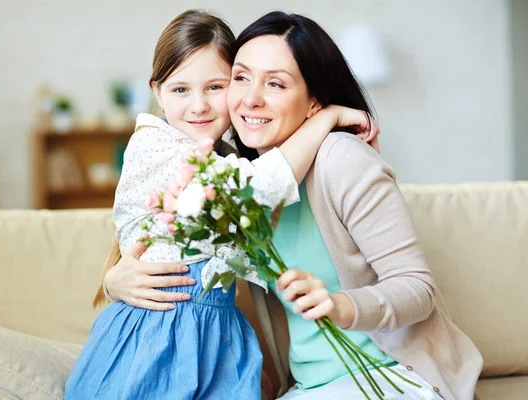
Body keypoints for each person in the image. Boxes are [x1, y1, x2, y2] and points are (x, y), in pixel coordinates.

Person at [104, 11, 483, 400]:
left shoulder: (340, 157)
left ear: (313, 99)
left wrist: (339, 306)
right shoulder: (235, 179)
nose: (251, 98)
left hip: (392, 376)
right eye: (241, 78)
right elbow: (160, 236)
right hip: (308, 388)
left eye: (276, 83)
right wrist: (113, 281)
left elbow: (418, 288)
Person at [65, 10, 378, 400]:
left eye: (216, 87)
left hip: (213, 330)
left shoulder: (227, 155)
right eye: (181, 90)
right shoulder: (155, 143)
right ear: (157, 91)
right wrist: (327, 116)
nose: (198, 106)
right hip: (159, 332)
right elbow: (261, 186)